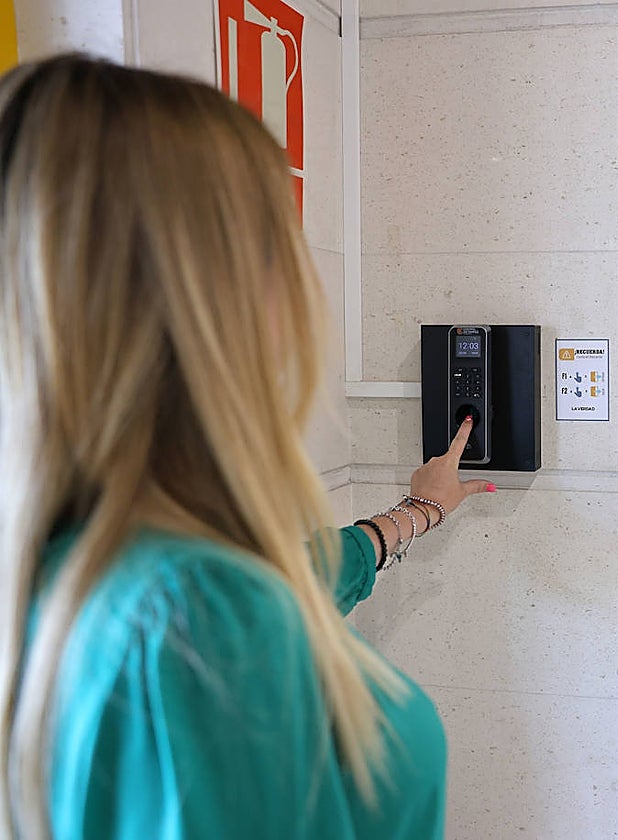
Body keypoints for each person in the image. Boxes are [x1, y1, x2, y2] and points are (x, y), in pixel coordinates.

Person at [0, 55, 491, 839]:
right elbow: (238, 607)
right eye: (275, 238)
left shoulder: (75, 567)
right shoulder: (200, 630)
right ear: (208, 294)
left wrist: (418, 511)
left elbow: (295, 576)